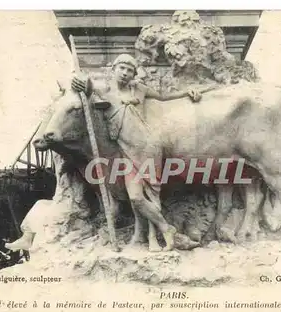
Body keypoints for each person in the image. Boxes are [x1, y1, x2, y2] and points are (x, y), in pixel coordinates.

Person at [71, 54, 202, 251]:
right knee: (136, 197)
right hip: (124, 150)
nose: (125, 73)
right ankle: (167, 229)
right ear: (113, 69)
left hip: (146, 146)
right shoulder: (104, 90)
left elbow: (164, 96)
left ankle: (151, 239)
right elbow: (86, 85)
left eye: (130, 70)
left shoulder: (139, 89)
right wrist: (77, 82)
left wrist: (187, 92)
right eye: (122, 68)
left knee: (152, 194)